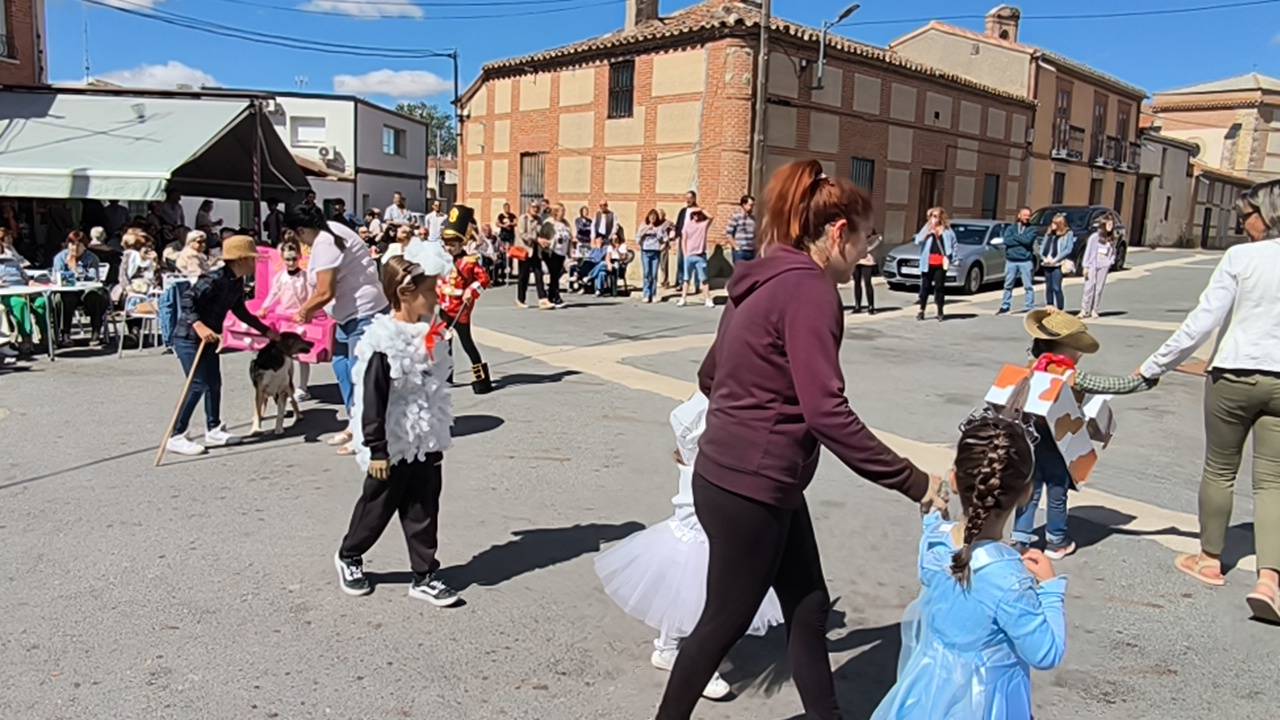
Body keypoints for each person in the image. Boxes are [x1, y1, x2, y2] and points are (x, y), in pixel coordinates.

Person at [655, 160, 946, 719]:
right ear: (838, 234)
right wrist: (915, 482)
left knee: (808, 605)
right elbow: (827, 413)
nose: (870, 252)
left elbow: (711, 375)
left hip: (741, 475)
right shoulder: (812, 292)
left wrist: (722, 432)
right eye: (866, 239)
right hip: (753, 487)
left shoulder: (762, 276)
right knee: (721, 625)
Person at [1137, 180, 1280, 623]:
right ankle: (1270, 580)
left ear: (1268, 215)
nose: (1243, 225)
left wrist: (1154, 367)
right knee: (1273, 481)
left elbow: (1202, 321)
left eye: (1247, 216)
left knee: (1220, 468)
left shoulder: (1241, 258)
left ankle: (1210, 560)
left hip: (1233, 373)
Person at [871, 408, 1066, 720]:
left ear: (955, 480)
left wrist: (934, 515)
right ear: (1026, 494)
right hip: (987, 704)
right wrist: (1051, 590)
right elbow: (1045, 652)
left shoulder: (935, 542)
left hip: (927, 692)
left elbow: (935, 562)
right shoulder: (1010, 579)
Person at [595, 392, 783, 701]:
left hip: (697, 516)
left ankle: (668, 648)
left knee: (685, 589)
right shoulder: (718, 409)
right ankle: (701, 665)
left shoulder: (706, 403)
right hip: (706, 517)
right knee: (703, 593)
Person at [333, 254, 461, 608]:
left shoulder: (429, 331)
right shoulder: (381, 340)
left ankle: (424, 575)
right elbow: (370, 398)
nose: (437, 296)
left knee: (424, 506)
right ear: (406, 292)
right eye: (431, 290)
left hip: (426, 435)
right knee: (378, 505)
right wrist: (376, 448)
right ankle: (350, 554)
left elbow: (438, 382)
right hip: (391, 440)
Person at [1012, 310, 1157, 560]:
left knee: (1030, 490)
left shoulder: (1033, 365)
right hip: (1059, 442)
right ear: (1064, 349)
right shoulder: (1069, 375)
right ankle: (1056, 541)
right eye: (1077, 349)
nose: (1079, 355)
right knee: (1057, 490)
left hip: (1030, 439)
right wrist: (1145, 381)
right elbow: (1112, 386)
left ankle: (1020, 539)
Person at [287, 203, 389, 455]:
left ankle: (368, 435)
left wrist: (304, 311)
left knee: (362, 375)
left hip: (363, 313)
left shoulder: (325, 241)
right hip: (346, 317)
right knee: (342, 367)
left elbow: (325, 291)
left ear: (300, 230)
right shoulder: (331, 231)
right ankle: (354, 422)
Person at [165, 235, 279, 457]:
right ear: (240, 259)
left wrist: (265, 331)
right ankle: (176, 435)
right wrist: (198, 325)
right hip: (188, 337)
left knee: (214, 383)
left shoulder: (237, 282)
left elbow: (240, 310)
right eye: (252, 259)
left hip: (210, 339)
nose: (255, 263)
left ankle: (214, 428)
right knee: (198, 384)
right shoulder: (214, 278)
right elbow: (188, 299)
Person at [439, 205, 494, 394]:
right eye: (446, 244)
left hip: (460, 309)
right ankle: (446, 377)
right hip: (443, 308)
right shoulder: (442, 259)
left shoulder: (469, 262)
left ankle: (482, 380)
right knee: (444, 343)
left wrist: (472, 289)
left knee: (467, 344)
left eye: (452, 245)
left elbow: (485, 279)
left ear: (461, 244)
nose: (448, 248)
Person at [257, 241, 313, 402]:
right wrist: (265, 308)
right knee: (285, 355)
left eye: (294, 259)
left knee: (302, 355)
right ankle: (288, 385)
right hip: (284, 318)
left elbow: (310, 297)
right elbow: (273, 294)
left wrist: (305, 312)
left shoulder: (305, 277)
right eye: (287, 259)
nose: (291, 262)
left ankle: (303, 387)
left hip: (301, 318)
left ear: (300, 258)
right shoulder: (280, 277)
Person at [52, 231, 110, 345]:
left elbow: (93, 278)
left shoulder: (92, 258)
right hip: (68, 291)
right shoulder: (60, 258)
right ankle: (65, 334)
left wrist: (77, 271)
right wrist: (69, 269)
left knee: (96, 296)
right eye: (72, 244)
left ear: (85, 246)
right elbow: (58, 277)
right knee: (63, 299)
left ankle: (96, 332)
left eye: (78, 245)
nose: (75, 248)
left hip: (85, 289)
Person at [0, 228, 46, 356]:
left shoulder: (12, 261)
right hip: (7, 293)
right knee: (20, 303)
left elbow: (25, 277)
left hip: (24, 289)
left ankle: (46, 337)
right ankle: (26, 338)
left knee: (42, 301)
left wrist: (32, 283)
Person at [913, 207, 956, 322]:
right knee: (925, 287)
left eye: (936, 216)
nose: (934, 218)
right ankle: (921, 310)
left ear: (941, 217)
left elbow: (954, 244)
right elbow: (917, 240)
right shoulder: (927, 228)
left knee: (939, 287)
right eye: (932, 216)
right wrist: (928, 233)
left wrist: (953, 258)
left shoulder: (947, 230)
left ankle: (940, 310)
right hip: (928, 262)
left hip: (940, 263)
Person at [996, 207, 1038, 315]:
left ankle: (1029, 306)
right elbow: (1007, 241)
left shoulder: (1032, 229)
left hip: (1025, 261)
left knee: (1028, 285)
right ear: (1019, 216)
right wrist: (1020, 238)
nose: (1027, 217)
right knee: (1008, 285)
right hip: (1011, 261)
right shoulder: (1011, 228)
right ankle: (1005, 305)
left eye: (1028, 215)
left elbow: (1028, 241)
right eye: (1025, 215)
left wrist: (1017, 238)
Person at [1079, 213, 1119, 318]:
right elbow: (1088, 252)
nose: (1110, 226)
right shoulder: (1094, 237)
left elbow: (1113, 252)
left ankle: (1094, 309)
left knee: (1099, 288)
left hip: (1104, 265)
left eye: (1112, 224)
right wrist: (1085, 266)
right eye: (1108, 224)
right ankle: (1084, 310)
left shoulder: (1112, 239)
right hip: (1092, 264)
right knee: (1089, 287)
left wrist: (1111, 261)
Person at [515, 201, 551, 310]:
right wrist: (537, 239)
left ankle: (543, 299)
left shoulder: (540, 220)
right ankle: (520, 299)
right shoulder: (523, 219)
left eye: (537, 208)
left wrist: (545, 240)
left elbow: (542, 233)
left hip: (536, 250)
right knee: (523, 276)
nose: (536, 209)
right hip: (526, 250)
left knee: (538, 274)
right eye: (534, 207)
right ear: (529, 208)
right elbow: (523, 234)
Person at [1037, 213, 1075, 312]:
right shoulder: (1049, 233)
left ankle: (1060, 308)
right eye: (1052, 223)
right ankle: (1049, 305)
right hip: (1047, 263)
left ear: (1060, 224)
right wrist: (1043, 257)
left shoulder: (1068, 234)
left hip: (1058, 264)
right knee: (1048, 287)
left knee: (1056, 287)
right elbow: (1042, 246)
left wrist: (1056, 259)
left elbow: (1068, 249)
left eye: (1055, 223)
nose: (1052, 225)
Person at [677, 206, 713, 308]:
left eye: (698, 214)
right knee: (686, 279)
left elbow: (711, 217)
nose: (696, 216)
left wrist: (702, 209)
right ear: (691, 216)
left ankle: (708, 299)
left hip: (700, 255)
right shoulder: (687, 225)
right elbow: (684, 239)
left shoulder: (703, 225)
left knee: (704, 279)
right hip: (689, 255)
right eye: (694, 214)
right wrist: (685, 253)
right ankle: (683, 298)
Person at [541, 202, 573, 307]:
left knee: (556, 275)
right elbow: (544, 236)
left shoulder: (565, 223)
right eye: (562, 211)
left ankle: (551, 296)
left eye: (564, 211)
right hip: (551, 252)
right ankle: (556, 297)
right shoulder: (549, 223)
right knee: (554, 275)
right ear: (556, 212)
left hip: (561, 252)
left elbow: (569, 237)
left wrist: (569, 251)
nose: (564, 213)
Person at [636, 209, 665, 303]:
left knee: (654, 274)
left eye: (654, 217)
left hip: (656, 252)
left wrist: (656, 231)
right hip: (645, 251)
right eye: (651, 216)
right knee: (647, 273)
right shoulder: (643, 226)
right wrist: (647, 228)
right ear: (648, 217)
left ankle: (653, 294)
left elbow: (665, 239)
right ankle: (646, 294)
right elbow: (638, 236)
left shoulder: (659, 227)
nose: (652, 218)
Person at [671, 191, 697, 289]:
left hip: (693, 239)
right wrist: (675, 235)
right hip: (683, 239)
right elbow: (679, 224)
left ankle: (695, 283)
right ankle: (681, 282)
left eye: (690, 198)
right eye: (686, 198)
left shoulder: (697, 211)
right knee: (681, 260)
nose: (688, 200)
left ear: (694, 199)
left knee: (693, 261)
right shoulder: (683, 211)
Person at [851, 228, 881, 315]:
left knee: (867, 283)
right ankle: (857, 305)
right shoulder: (856, 237)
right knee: (857, 283)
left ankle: (871, 306)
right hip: (856, 261)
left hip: (868, 262)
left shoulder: (876, 238)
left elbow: (868, 248)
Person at [724, 195, 757, 263]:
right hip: (740, 251)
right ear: (744, 204)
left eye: (753, 205)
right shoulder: (736, 216)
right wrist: (735, 246)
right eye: (750, 205)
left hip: (752, 251)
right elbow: (728, 233)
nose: (752, 207)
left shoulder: (753, 218)